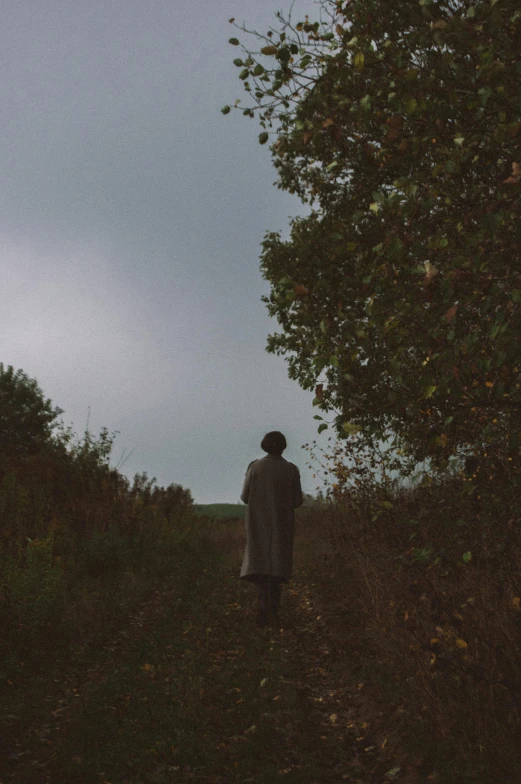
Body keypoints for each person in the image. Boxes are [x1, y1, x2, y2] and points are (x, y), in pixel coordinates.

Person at [240, 431, 303, 627]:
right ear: (283, 446)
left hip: (258, 522)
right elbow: (297, 501)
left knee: (259, 563)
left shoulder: (254, 467)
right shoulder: (291, 469)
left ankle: (262, 606)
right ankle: (274, 610)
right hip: (281, 523)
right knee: (278, 565)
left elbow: (244, 497)